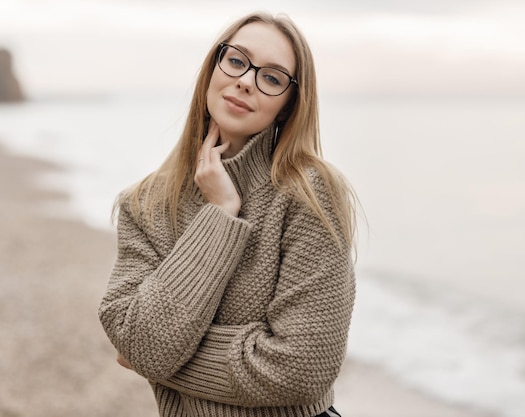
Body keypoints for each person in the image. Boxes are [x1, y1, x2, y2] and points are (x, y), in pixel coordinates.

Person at [98, 11, 356, 417]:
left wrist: (155, 357)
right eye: (237, 60)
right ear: (213, 68)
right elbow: (134, 335)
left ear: (288, 106)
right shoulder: (144, 204)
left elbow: (303, 369)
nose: (246, 80)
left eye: (271, 78)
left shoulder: (309, 192)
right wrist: (220, 214)